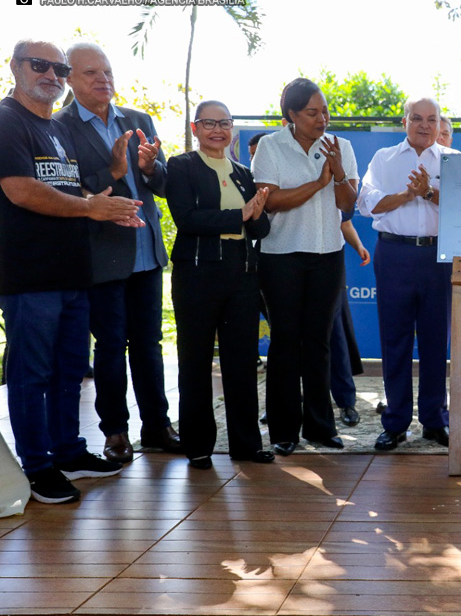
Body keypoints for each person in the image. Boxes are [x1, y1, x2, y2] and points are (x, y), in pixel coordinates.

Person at [0, 40, 143, 503]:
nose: (51, 74)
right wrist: (90, 208)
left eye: (58, 68)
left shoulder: (54, 130)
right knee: (31, 374)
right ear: (15, 67)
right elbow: (22, 190)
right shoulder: (6, 121)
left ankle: (69, 452)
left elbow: (77, 192)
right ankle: (38, 467)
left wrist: (111, 191)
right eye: (39, 65)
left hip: (72, 274)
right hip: (29, 276)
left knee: (67, 373)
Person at [56, 43, 179, 464]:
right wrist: (112, 171)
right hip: (102, 254)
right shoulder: (61, 127)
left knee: (150, 343)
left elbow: (163, 185)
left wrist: (149, 169)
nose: (102, 79)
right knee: (110, 346)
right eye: (91, 73)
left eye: (106, 71)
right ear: (69, 78)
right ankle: (115, 432)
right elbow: (66, 191)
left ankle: (158, 426)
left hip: (146, 253)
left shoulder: (138, 120)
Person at [252, 78, 358, 456]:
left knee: (319, 341)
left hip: (327, 255)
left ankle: (320, 427)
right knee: (285, 341)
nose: (322, 119)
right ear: (292, 115)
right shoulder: (270, 146)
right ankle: (283, 430)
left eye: (325, 111)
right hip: (280, 256)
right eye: (312, 112)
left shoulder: (341, 146)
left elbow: (347, 204)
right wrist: (318, 183)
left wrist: (338, 173)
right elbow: (270, 201)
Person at [166, 100, 274, 470]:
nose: (217, 130)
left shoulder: (243, 172)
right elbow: (187, 218)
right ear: (195, 129)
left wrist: (257, 213)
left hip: (241, 273)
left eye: (224, 123)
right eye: (209, 123)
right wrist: (239, 215)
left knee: (242, 362)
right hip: (197, 273)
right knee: (195, 362)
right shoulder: (181, 166)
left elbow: (259, 229)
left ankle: (246, 445)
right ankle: (198, 447)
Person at [357, 97, 456, 450]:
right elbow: (367, 203)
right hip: (394, 253)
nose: (425, 125)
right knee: (395, 340)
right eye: (417, 118)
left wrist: (428, 192)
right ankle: (396, 421)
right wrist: (406, 194)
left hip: (438, 256)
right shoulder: (384, 159)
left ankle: (434, 420)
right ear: (405, 122)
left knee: (435, 340)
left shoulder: (452, 161)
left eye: (432, 119)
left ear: (439, 123)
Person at [330, 214, 370, 427]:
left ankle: (346, 401)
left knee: (336, 333)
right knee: (290, 335)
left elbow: (344, 222)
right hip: (286, 257)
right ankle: (287, 401)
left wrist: (358, 245)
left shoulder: (333, 181)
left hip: (329, 258)